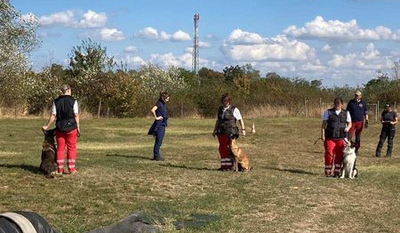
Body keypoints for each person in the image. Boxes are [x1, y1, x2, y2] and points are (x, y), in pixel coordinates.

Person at [42, 84, 80, 175]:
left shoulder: (56, 101)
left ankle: (60, 169)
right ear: (68, 90)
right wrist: (78, 127)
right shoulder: (73, 101)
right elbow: (76, 115)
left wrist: (47, 126)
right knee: (71, 148)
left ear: (61, 91)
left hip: (60, 128)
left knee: (60, 149)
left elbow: (53, 115)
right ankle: (71, 169)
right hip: (71, 128)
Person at [212, 93, 246, 171]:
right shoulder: (220, 109)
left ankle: (231, 166)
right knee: (222, 148)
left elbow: (240, 119)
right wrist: (214, 130)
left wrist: (243, 129)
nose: (225, 102)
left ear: (229, 101)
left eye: (226, 101)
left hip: (230, 132)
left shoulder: (234, 109)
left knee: (230, 149)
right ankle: (224, 166)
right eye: (224, 101)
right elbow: (218, 120)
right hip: (221, 131)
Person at [321, 97, 352, 177]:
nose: (337, 105)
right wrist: (322, 135)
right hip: (330, 137)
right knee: (329, 153)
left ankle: (337, 171)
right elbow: (323, 125)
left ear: (341, 104)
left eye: (338, 103)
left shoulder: (346, 113)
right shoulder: (328, 112)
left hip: (341, 137)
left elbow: (350, 123)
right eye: (335, 103)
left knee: (339, 154)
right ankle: (328, 170)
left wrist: (348, 128)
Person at [148, 91, 170, 161]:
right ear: (163, 98)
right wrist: (156, 117)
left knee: (160, 141)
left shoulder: (163, 104)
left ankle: (157, 155)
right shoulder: (159, 103)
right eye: (167, 98)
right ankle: (156, 156)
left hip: (163, 124)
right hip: (159, 125)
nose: (168, 99)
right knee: (158, 141)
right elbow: (152, 110)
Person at [346, 90, 369, 154]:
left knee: (358, 136)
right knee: (349, 135)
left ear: (360, 96)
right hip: (352, 122)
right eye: (355, 95)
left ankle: (356, 149)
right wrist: (347, 121)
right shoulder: (351, 102)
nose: (356, 96)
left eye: (357, 95)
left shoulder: (363, 103)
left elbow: (366, 112)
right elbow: (347, 112)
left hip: (360, 122)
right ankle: (349, 147)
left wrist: (366, 120)